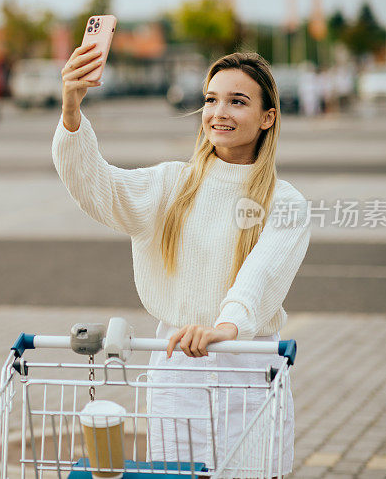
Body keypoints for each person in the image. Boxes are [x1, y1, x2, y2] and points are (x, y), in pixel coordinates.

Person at [52, 45, 310, 477]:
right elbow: (96, 185)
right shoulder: (171, 183)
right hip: (177, 372)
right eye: (211, 99)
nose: (218, 112)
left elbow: (262, 274)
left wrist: (226, 327)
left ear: (268, 117)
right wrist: (72, 110)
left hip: (247, 372)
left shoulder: (284, 202)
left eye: (237, 101)